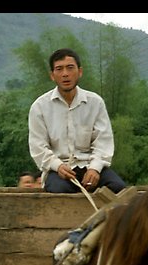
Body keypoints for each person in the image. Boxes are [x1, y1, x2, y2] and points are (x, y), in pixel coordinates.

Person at [28, 48, 127, 194]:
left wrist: (95, 168)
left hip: (90, 166)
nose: (65, 74)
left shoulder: (95, 102)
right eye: (59, 69)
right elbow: (38, 147)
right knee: (59, 191)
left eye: (70, 68)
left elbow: (103, 141)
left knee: (117, 187)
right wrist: (58, 166)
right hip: (59, 170)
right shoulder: (40, 107)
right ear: (52, 75)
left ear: (79, 72)